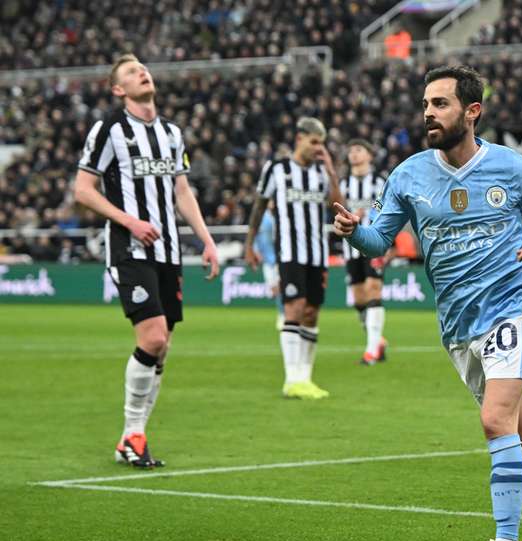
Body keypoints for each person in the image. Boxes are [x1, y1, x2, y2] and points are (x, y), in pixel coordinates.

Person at [333, 65, 522, 541]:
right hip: (458, 327)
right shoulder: (410, 174)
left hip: (512, 307)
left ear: (471, 111)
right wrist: (354, 233)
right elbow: (378, 242)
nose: (428, 113)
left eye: (439, 104)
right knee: (521, 432)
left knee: (493, 420)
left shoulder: (510, 167)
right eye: (426, 104)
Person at [73, 54, 220, 468]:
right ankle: (134, 433)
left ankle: (130, 438)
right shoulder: (109, 129)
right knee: (152, 338)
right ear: (119, 89)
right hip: (129, 248)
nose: (143, 73)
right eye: (132, 72)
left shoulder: (172, 133)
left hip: (169, 251)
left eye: (144, 68)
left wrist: (206, 240)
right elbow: (83, 189)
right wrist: (130, 221)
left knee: (163, 347)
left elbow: (182, 192)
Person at [244, 117, 342, 399]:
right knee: (294, 309)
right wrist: (249, 245)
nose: (317, 148)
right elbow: (259, 207)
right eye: (314, 142)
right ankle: (291, 379)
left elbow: (339, 209)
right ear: (299, 138)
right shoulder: (276, 169)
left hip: (317, 254)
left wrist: (332, 173)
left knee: (312, 313)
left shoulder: (321, 173)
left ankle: (305, 378)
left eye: (321, 143)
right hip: (289, 253)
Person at [340, 139, 388, 365]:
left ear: (369, 155)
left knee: (373, 289)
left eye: (358, 150)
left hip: (374, 243)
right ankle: (377, 340)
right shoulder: (342, 185)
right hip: (350, 248)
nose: (353, 154)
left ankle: (371, 351)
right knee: (359, 298)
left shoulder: (380, 182)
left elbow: (388, 212)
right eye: (351, 151)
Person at [253, 202, 285, 330]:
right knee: (274, 290)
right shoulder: (263, 218)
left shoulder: (283, 215)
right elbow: (256, 236)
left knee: (279, 288)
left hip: (281, 258)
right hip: (268, 259)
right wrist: (256, 251)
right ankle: (283, 312)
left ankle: (283, 315)